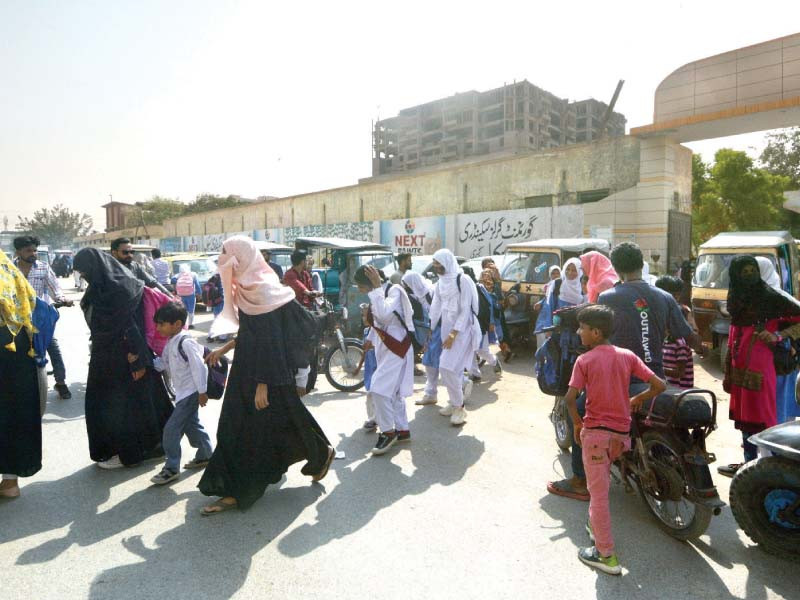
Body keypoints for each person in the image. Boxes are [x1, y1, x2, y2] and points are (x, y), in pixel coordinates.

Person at [549, 242, 701, 501]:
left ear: (616, 268)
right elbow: (687, 336)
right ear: (641, 264)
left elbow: (596, 334)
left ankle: (579, 480)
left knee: (582, 411)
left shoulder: (609, 297)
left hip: (620, 381)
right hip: (654, 378)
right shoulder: (663, 297)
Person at [198, 236, 334, 515]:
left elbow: (271, 341)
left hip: (265, 373)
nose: (224, 261)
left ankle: (237, 490)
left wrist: (263, 384)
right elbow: (252, 332)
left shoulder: (263, 291)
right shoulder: (249, 287)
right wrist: (226, 346)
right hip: (253, 367)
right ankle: (320, 452)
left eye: (227, 254)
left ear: (243, 257)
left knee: (243, 428)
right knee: (283, 418)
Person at [564, 305, 666, 575]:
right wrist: (637, 399)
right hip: (621, 436)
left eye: (582, 328)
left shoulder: (584, 361)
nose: (579, 332)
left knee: (598, 495)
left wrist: (577, 423)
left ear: (595, 332)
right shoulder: (627, 356)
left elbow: (569, 400)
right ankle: (594, 526)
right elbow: (659, 386)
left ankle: (605, 555)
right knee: (602, 483)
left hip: (596, 434)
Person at [73, 248, 174, 469]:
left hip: (123, 357)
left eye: (83, 271)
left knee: (118, 407)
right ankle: (155, 447)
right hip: (119, 354)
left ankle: (128, 453)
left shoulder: (116, 289)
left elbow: (130, 325)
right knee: (143, 402)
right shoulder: (115, 283)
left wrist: (135, 358)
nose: (82, 276)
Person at [717, 256, 800, 477]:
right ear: (734, 275)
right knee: (745, 420)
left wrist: (778, 335)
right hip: (739, 370)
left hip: (761, 371)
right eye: (743, 272)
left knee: (763, 420)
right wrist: (728, 373)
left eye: (752, 270)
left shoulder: (772, 298)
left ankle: (767, 472)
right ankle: (748, 466)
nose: (749, 276)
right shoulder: (736, 299)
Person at [149, 302, 214, 485]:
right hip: (183, 393)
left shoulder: (186, 342)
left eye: (162, 324)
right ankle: (205, 454)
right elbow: (163, 363)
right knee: (191, 425)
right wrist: (145, 361)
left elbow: (199, 367)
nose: (158, 328)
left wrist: (202, 391)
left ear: (177, 324)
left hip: (191, 393)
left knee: (171, 429)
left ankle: (171, 468)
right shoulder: (172, 342)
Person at [355, 265, 415, 454]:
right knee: (393, 391)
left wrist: (377, 287)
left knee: (379, 389)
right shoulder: (378, 294)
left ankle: (388, 432)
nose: (359, 289)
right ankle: (402, 429)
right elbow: (378, 323)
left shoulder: (394, 291)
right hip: (386, 347)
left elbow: (383, 314)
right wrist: (370, 340)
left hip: (397, 347)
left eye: (360, 285)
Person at [0, 250, 42, 499]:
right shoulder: (10, 272)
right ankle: (10, 481)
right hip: (17, 345)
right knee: (12, 414)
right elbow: (31, 302)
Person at [13, 236, 73, 400]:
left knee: (53, 347)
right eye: (28, 251)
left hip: (39, 318)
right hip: (14, 319)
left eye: (34, 250)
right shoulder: (8, 269)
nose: (33, 253)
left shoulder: (43, 268)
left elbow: (56, 289)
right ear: (18, 252)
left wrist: (62, 300)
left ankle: (60, 382)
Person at [428, 248, 480, 426]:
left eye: (438, 263)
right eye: (434, 263)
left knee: (446, 367)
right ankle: (453, 402)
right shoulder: (440, 283)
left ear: (447, 262)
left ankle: (459, 408)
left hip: (462, 332)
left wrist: (453, 333)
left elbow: (466, 310)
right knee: (454, 369)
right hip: (446, 330)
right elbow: (435, 308)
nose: (436, 267)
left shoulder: (462, 280)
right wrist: (431, 328)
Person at [756, 257, 800, 424]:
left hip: (779, 358)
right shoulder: (747, 298)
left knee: (779, 401)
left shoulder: (781, 298)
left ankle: (776, 442)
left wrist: (779, 336)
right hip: (757, 359)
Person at [655, 276, 695, 389]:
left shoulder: (680, 344)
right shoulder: (667, 340)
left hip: (678, 391)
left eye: (677, 294)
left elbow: (679, 372)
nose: (677, 298)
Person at [535, 258, 584, 345]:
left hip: (575, 332)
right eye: (567, 269)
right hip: (558, 330)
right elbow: (549, 307)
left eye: (574, 270)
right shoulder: (557, 284)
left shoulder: (583, 286)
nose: (570, 273)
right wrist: (549, 328)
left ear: (579, 272)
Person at [476, 269, 503, 375]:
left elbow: (490, 308)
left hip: (484, 324)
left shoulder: (489, 292)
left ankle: (494, 361)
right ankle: (474, 373)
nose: (486, 279)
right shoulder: (474, 288)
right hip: (473, 323)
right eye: (484, 276)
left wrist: (491, 322)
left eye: (488, 276)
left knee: (483, 350)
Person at [173, 264, 202, 329]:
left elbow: (172, 280)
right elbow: (197, 285)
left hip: (181, 295)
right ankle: (190, 324)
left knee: (183, 309)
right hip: (191, 295)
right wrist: (199, 293)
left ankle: (184, 324)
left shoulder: (178, 275)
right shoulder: (193, 274)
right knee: (191, 310)